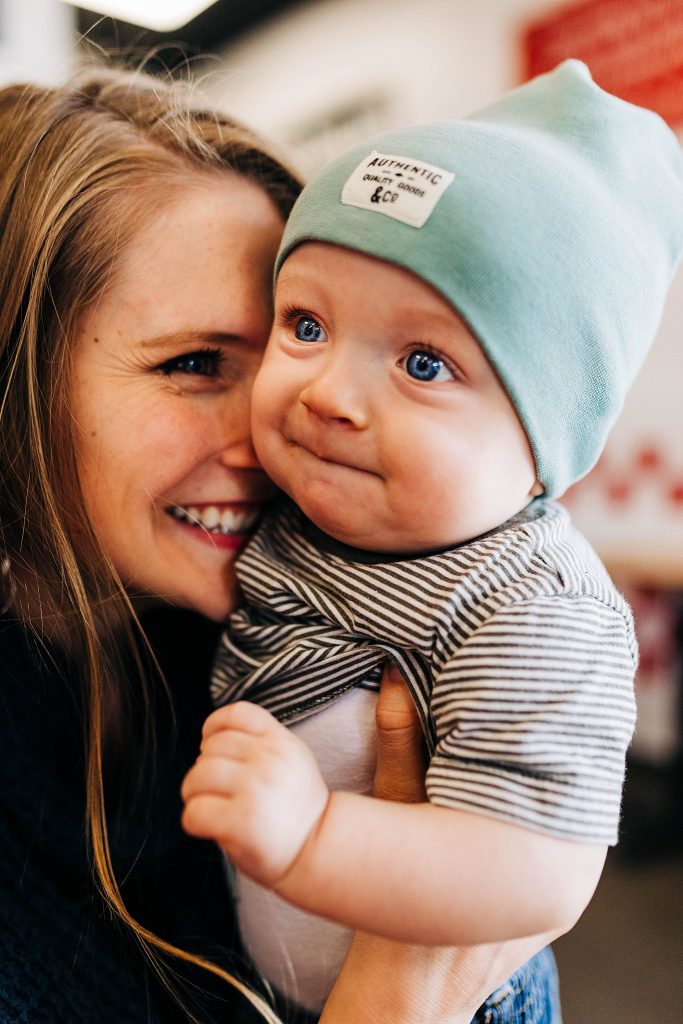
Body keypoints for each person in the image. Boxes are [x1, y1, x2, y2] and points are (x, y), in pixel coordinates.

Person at [0, 64, 560, 1024]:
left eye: (303, 341)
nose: (287, 429)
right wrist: (404, 982)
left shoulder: (328, 655)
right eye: (196, 364)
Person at [182, 60, 683, 1017]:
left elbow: (539, 874)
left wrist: (313, 839)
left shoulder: (525, 602)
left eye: (422, 363)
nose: (328, 393)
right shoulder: (283, 512)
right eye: (305, 324)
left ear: (539, 451)